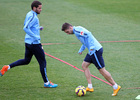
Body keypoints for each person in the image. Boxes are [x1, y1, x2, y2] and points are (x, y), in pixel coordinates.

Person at [0, 0, 58, 88]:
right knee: (42, 62)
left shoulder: (29, 14)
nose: (41, 10)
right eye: (39, 8)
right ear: (34, 8)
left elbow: (27, 25)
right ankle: (46, 83)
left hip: (28, 42)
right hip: (34, 43)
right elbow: (25, 27)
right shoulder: (33, 17)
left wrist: (38, 28)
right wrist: (35, 36)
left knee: (26, 60)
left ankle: (7, 67)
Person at [61, 23, 121, 96]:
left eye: (67, 31)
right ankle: (90, 87)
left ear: (70, 27)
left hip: (95, 50)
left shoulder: (76, 31)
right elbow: (85, 40)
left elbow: (89, 34)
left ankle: (115, 86)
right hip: (91, 51)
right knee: (84, 65)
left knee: (102, 70)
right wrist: (81, 49)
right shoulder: (77, 30)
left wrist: (92, 47)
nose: (68, 33)